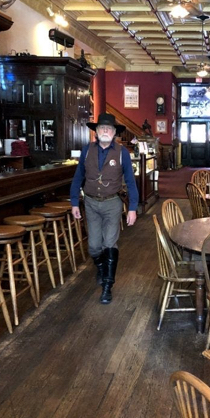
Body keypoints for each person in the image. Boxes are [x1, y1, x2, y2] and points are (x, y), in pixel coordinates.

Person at [70, 113, 138, 304]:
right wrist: (74, 202)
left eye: (109, 128)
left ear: (115, 132)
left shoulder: (122, 153)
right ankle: (101, 268)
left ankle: (107, 286)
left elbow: (131, 182)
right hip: (90, 203)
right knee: (93, 246)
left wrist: (132, 208)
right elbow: (78, 177)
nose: (105, 131)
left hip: (112, 203)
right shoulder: (87, 150)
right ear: (96, 131)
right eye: (102, 128)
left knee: (109, 244)